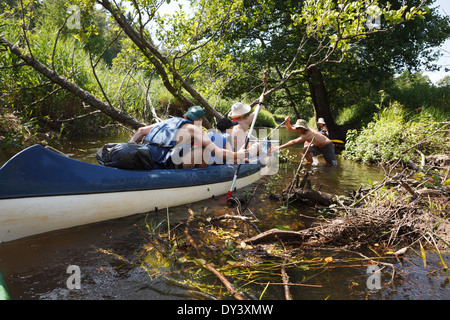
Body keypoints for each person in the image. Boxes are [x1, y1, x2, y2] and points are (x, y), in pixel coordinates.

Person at [130, 106, 246, 169]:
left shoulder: (167, 121)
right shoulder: (194, 129)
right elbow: (219, 153)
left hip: (145, 157)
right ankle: (201, 175)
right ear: (200, 120)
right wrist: (239, 155)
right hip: (165, 163)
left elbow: (141, 131)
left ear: (185, 116)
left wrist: (129, 146)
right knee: (203, 149)